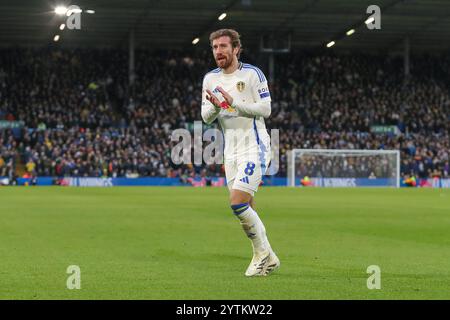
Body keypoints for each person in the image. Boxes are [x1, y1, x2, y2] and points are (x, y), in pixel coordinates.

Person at [201, 29, 280, 276]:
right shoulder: (210, 79)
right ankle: (269, 255)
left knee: (237, 203)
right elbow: (205, 117)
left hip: (254, 147)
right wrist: (216, 107)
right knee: (246, 205)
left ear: (236, 49)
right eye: (215, 47)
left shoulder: (252, 74)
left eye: (223, 46)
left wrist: (234, 103)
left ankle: (262, 255)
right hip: (230, 152)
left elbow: (266, 109)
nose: (218, 51)